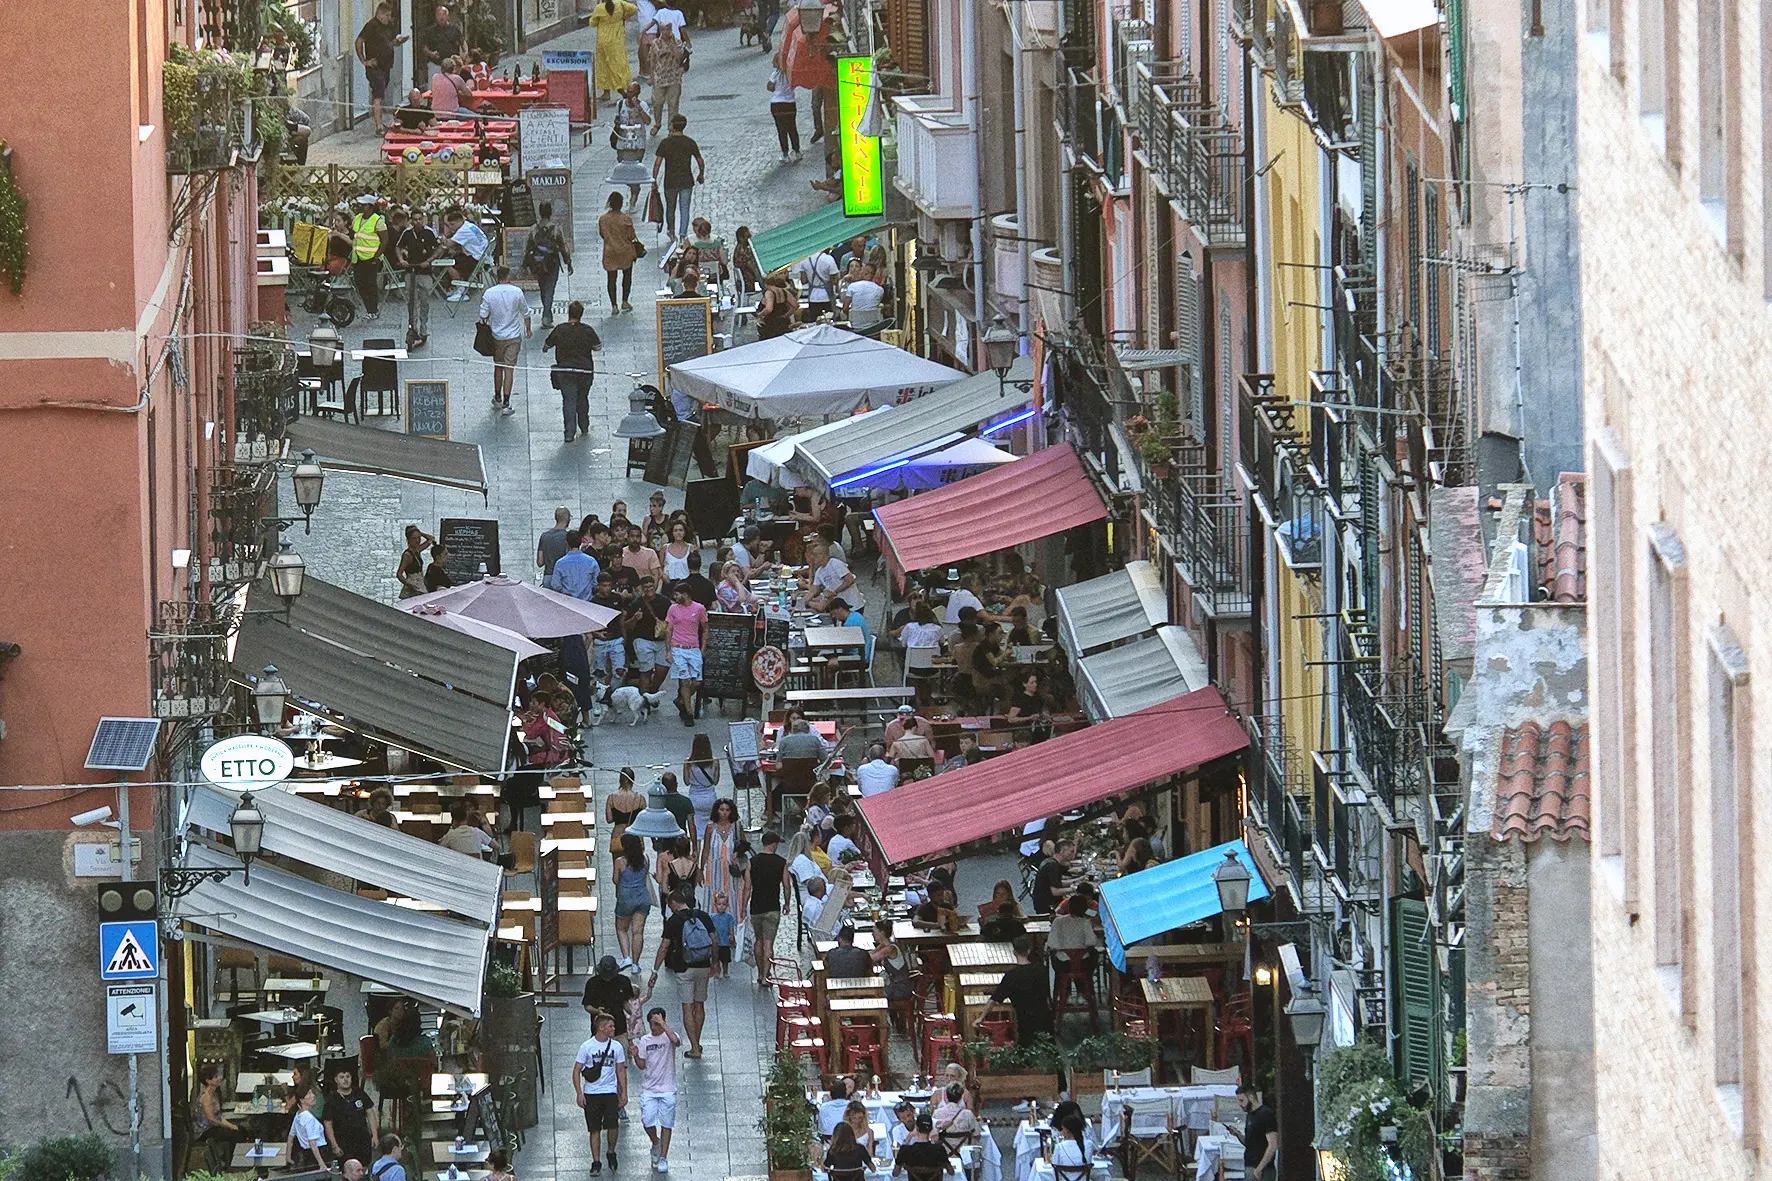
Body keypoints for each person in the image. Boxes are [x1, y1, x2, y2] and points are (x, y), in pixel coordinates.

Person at [650, 888, 716, 1056]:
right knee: (699, 1004)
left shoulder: (673, 921)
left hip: (683, 968)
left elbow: (664, 947)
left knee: (687, 1007)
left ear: (673, 903)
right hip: (703, 965)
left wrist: (655, 970)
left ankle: (694, 1047)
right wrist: (715, 963)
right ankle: (697, 1042)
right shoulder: (703, 916)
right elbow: (714, 940)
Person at [572, 1010, 629, 1175]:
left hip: (610, 1092)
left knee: (613, 1125)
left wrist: (623, 1092)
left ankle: (611, 1151)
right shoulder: (587, 1047)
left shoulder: (616, 1047)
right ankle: (596, 1161)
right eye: (610, 1026)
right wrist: (579, 1093)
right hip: (592, 1093)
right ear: (602, 1028)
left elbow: (620, 1071)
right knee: (594, 1128)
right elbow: (576, 1070)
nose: (613, 1029)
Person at [543, 300, 601, 443]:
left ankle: (569, 432)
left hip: (565, 371)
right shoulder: (587, 330)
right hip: (584, 371)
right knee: (582, 398)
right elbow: (598, 347)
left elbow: (547, 345)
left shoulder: (560, 329)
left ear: (569, 313)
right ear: (581, 314)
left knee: (569, 400)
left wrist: (547, 348)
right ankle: (584, 425)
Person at [633, 1006, 682, 1171]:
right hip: (649, 1088)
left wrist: (664, 1026)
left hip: (668, 1087)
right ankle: (656, 1142)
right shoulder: (645, 1041)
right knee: (647, 1121)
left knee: (667, 1123)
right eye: (652, 1024)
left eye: (657, 1023)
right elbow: (641, 1065)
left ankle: (663, 1157)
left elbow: (677, 1042)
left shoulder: (669, 1037)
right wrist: (634, 1055)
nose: (654, 1027)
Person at [478, 266, 532, 414]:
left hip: (496, 336)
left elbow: (483, 314)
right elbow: (526, 313)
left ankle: (497, 397)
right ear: (508, 277)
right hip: (513, 336)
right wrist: (528, 329)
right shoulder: (517, 292)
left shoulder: (489, 293)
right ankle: (507, 403)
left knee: (498, 366)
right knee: (510, 369)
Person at [987, 935, 1053, 1046]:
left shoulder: (1010, 976)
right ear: (1029, 950)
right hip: (1044, 1019)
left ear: (1014, 952)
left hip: (1024, 1022)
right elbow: (1048, 995)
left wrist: (981, 1017)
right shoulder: (1041, 970)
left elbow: (994, 999)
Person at [355, 2, 409, 133]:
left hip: (386, 65)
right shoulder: (371, 25)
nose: (389, 18)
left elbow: (391, 42)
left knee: (381, 93)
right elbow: (359, 41)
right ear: (380, 14)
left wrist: (399, 42)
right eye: (387, 15)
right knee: (378, 94)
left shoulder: (388, 25)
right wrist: (364, 61)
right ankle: (378, 126)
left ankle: (380, 123)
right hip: (375, 65)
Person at [389, 207, 439, 348]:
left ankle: (423, 328)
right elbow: (398, 247)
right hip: (410, 271)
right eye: (414, 219)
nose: (417, 222)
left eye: (419, 219)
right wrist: (401, 259)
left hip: (424, 272)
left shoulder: (429, 233)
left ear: (423, 219)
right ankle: (413, 328)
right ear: (411, 220)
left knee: (424, 301)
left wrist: (429, 261)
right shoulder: (407, 233)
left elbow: (438, 249)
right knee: (411, 302)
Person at [651, 113, 704, 242]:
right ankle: (683, 234)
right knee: (684, 207)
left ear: (672, 126)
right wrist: (701, 174)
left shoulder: (665, 143)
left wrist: (654, 179)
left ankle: (671, 231)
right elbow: (700, 160)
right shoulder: (690, 142)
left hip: (670, 180)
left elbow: (657, 163)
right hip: (686, 180)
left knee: (671, 207)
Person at [746, 831, 790, 984]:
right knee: (768, 943)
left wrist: (743, 906)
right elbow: (786, 886)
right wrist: (787, 903)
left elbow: (747, 887)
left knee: (758, 941)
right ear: (774, 844)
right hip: (773, 907)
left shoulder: (752, 862)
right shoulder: (781, 862)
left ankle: (759, 973)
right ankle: (766, 975)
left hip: (756, 906)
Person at [664, 583, 708, 725]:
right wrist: (668, 650)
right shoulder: (673, 609)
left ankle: (682, 699)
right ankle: (689, 713)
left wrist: (702, 648)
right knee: (684, 680)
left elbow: (705, 628)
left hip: (693, 647)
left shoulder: (699, 608)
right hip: (678, 648)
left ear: (685, 594)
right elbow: (668, 629)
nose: (675, 597)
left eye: (677, 594)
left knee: (696, 682)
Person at [526, 202, 573, 329]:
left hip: (537, 263)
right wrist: (568, 262)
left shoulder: (534, 229)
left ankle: (548, 313)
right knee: (550, 289)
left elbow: (528, 247)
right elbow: (563, 247)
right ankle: (546, 316)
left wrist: (525, 264)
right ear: (550, 212)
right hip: (552, 263)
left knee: (543, 288)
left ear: (540, 212)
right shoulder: (556, 229)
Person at [598, 191, 642, 314]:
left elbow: (602, 234)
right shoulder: (626, 219)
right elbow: (631, 235)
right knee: (627, 276)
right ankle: (625, 301)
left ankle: (614, 306)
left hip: (610, 251)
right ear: (621, 204)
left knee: (611, 279)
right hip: (625, 251)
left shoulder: (603, 219)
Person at [325, 1066, 378, 1168]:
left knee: (363, 1170)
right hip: (343, 1144)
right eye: (342, 1077)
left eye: (348, 1076)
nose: (345, 1079)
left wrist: (375, 1135)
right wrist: (334, 1145)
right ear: (336, 1080)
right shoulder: (332, 1099)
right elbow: (328, 1123)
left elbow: (370, 1113)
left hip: (362, 1142)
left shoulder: (359, 1093)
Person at [613, 833, 653, 969]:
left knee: (621, 928)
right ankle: (636, 963)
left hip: (626, 898)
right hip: (643, 897)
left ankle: (626, 957)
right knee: (638, 931)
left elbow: (615, 880)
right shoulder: (646, 859)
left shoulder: (620, 861)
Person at [610, 85, 653, 208]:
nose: (629, 95)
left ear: (637, 93)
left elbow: (648, 121)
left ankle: (634, 193)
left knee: (634, 169)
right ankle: (635, 186)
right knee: (623, 169)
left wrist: (638, 108)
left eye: (632, 92)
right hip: (622, 142)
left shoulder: (643, 105)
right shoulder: (620, 104)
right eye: (628, 92)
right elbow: (616, 119)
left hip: (637, 143)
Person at [348, 195, 387, 320]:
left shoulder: (377, 220)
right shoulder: (358, 218)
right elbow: (354, 234)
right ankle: (368, 309)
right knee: (360, 283)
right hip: (358, 257)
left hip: (371, 258)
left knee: (371, 284)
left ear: (370, 207)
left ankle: (373, 310)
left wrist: (376, 257)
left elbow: (385, 240)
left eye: (363, 205)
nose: (360, 207)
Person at [587, 0, 638, 98]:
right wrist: (624, 17)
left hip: (603, 40)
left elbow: (592, 23)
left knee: (603, 65)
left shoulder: (599, 8)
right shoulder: (620, 4)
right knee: (619, 63)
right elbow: (634, 9)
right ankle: (622, 86)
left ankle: (606, 92)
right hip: (617, 39)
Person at [583, 955, 640, 1034]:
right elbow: (587, 1005)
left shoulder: (623, 981)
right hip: (599, 1026)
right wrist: (597, 1011)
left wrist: (633, 1013)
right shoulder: (592, 983)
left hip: (619, 1024)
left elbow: (626, 1002)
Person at [802, 539, 861, 612]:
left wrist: (835, 592)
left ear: (822, 556)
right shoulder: (819, 571)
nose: (813, 558)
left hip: (853, 604)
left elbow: (849, 580)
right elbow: (813, 590)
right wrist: (803, 601)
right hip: (840, 607)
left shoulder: (835, 563)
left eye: (815, 556)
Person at [1235, 1085, 1279, 1181]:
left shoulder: (1266, 1114)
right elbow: (1250, 1142)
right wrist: (1237, 1134)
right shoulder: (1250, 1115)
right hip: (1250, 1165)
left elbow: (1273, 1144)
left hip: (1263, 1168)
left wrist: (1260, 1168)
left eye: (1242, 1100)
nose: (1240, 1104)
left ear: (1251, 1097)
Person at [442, 207, 490, 294]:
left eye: (452, 224)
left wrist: (444, 236)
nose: (451, 227)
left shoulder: (463, 230)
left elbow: (448, 244)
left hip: (475, 259)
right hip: (482, 256)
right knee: (455, 256)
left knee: (448, 263)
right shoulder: (469, 225)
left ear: (459, 221)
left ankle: (460, 288)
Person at [286, 1086, 332, 1170]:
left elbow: (290, 1137)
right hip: (319, 1153)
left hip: (306, 1153)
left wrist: (288, 1157)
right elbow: (312, 1143)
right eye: (309, 1094)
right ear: (302, 1100)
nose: (313, 1096)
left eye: (312, 1093)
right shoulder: (309, 1118)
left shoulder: (298, 1115)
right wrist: (321, 1164)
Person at [766, 57, 800, 162]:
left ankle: (785, 154)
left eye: (773, 61)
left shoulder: (775, 74)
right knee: (792, 128)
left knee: (781, 130)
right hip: (790, 103)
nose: (772, 64)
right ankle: (797, 151)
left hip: (776, 104)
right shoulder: (791, 73)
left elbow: (769, 87)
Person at [1032, 838, 1076, 916]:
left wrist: (1078, 880)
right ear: (1062, 851)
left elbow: (1058, 883)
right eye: (1071, 852)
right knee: (1078, 906)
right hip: (1048, 904)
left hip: (1043, 900)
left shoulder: (1050, 861)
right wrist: (1075, 889)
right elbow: (1055, 891)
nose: (1073, 854)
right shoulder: (1052, 866)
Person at [794, 249, 839, 321]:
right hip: (826, 296)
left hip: (813, 296)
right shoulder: (828, 259)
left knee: (815, 321)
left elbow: (804, 280)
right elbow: (835, 280)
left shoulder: (805, 260)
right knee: (828, 320)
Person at [422, 5, 464, 79]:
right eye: (439, 14)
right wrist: (431, 54)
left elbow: (463, 44)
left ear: (448, 16)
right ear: (436, 16)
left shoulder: (455, 29)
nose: (441, 17)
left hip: (452, 67)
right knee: (435, 88)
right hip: (436, 65)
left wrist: (463, 57)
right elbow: (425, 48)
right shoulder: (430, 31)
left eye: (443, 14)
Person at [755, 271, 799, 339]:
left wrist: (760, 315)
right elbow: (795, 305)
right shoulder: (784, 292)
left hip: (770, 324)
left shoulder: (769, 293)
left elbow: (769, 309)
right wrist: (785, 316)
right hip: (783, 323)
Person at [395, 524, 434, 598]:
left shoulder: (417, 550)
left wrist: (420, 532)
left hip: (420, 585)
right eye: (414, 538)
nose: (417, 540)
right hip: (413, 587)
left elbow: (431, 539)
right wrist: (408, 585)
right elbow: (399, 574)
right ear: (408, 540)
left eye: (419, 538)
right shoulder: (407, 555)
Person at [707, 889, 738, 977]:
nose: (721, 906)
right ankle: (717, 970)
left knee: (725, 959)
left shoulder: (729, 917)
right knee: (715, 957)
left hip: (725, 941)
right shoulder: (712, 916)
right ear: (715, 905)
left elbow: (731, 927)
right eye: (719, 904)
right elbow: (710, 929)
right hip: (716, 941)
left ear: (727, 905)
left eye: (724, 904)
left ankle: (725, 971)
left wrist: (732, 937)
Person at [844, 265, 885, 330]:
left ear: (865, 273)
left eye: (861, 271)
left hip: (856, 328)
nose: (859, 272)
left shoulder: (852, 287)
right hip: (874, 329)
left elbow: (845, 309)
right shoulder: (879, 290)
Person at [537, 507, 574, 576]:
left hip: (548, 576)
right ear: (568, 518)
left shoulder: (544, 536)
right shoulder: (569, 536)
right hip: (563, 576)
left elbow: (540, 562)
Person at [733, 225, 764, 292]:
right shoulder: (743, 251)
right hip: (747, 282)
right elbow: (752, 267)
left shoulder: (739, 248)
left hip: (743, 279)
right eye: (748, 236)